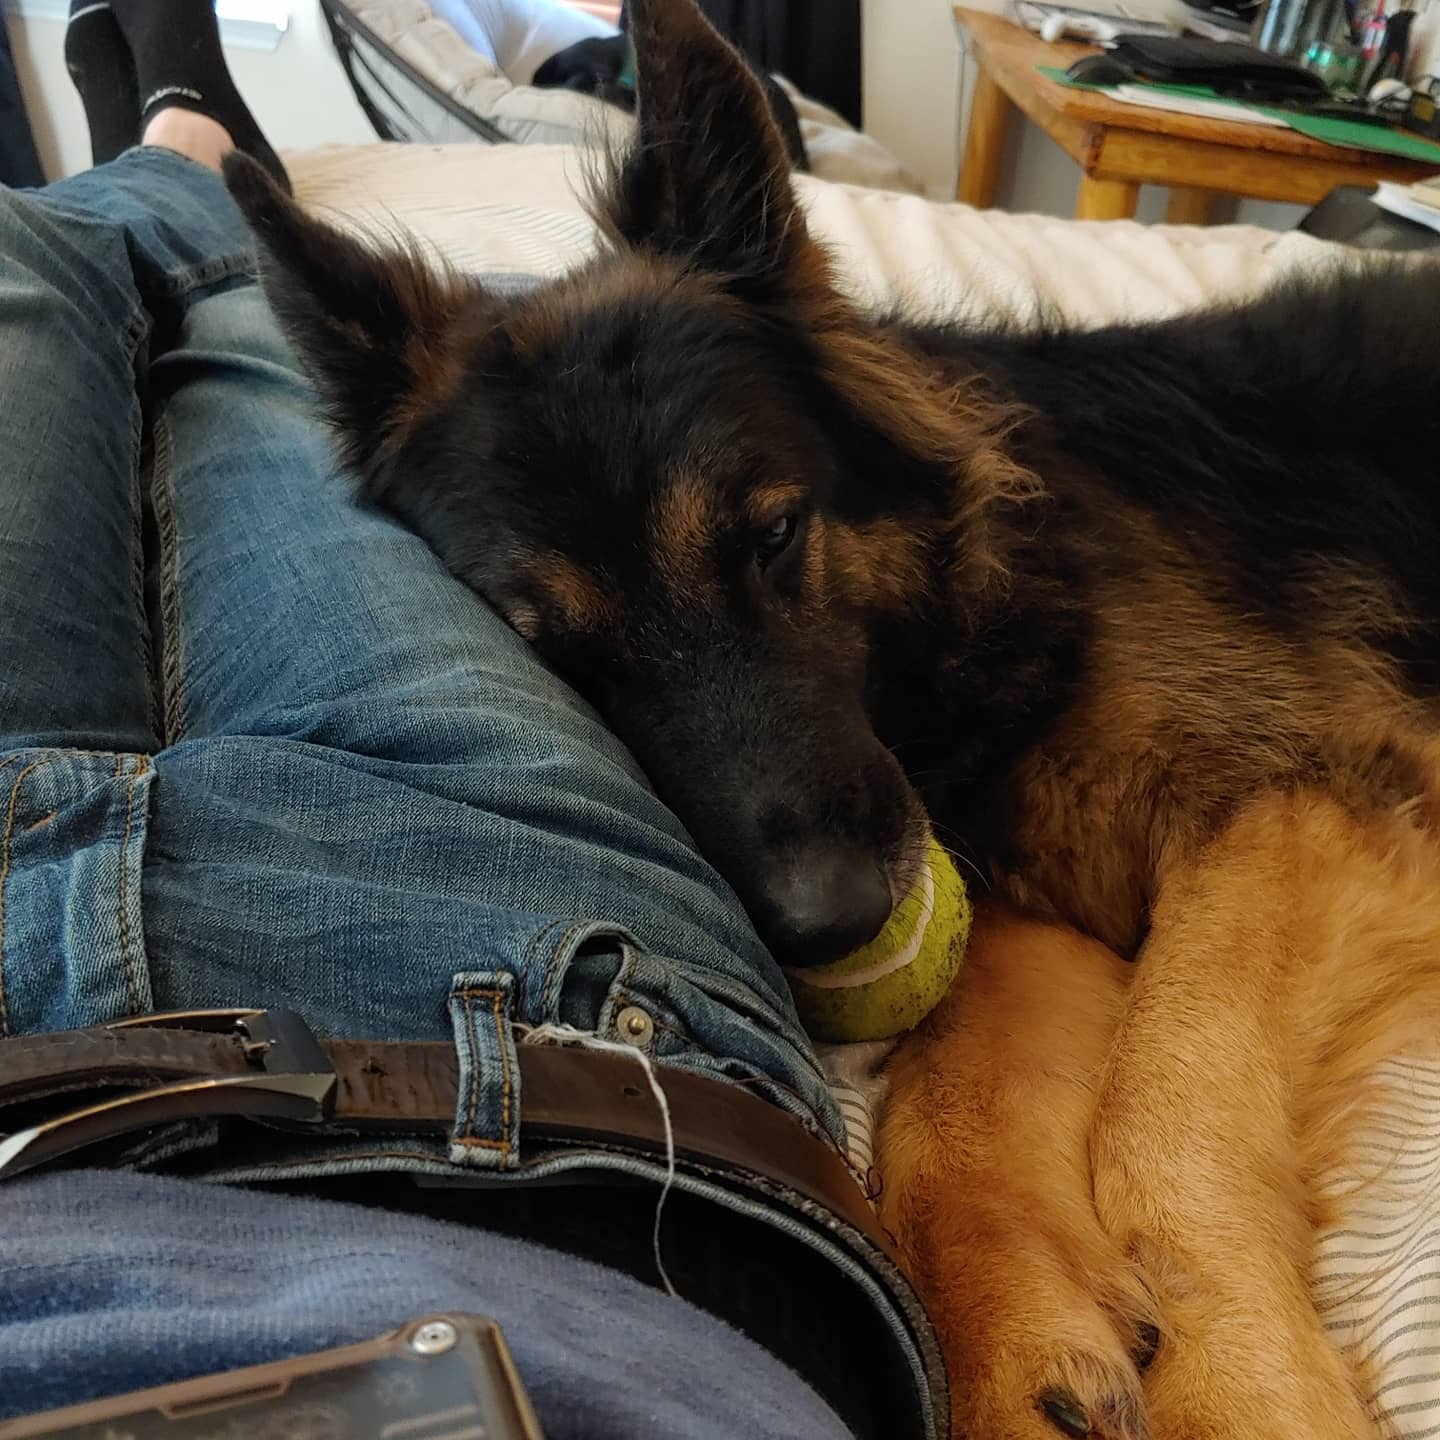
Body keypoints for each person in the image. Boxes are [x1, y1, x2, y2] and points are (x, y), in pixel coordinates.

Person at [0, 4, 939, 1437]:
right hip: (537, 1011)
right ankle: (194, 162)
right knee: (257, 360)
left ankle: (178, 158)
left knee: (22, 268)